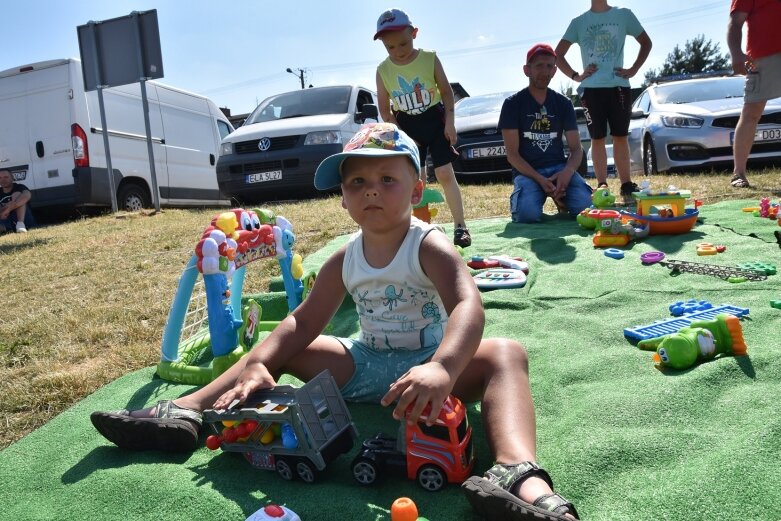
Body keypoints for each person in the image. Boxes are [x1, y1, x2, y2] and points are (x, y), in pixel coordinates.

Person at [91, 123, 580, 521]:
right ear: (343, 199)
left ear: (416, 190)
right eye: (357, 183)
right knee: (283, 350)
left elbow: (468, 306)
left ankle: (518, 474)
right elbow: (301, 323)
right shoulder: (345, 258)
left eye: (387, 180)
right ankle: (190, 411)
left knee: (506, 353)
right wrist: (261, 362)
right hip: (368, 367)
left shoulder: (427, 244)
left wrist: (445, 368)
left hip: (433, 373)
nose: (372, 192)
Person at [373, 8, 472, 248]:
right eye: (390, 48)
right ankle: (417, 229)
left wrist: (450, 122)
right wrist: (401, 134)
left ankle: (460, 226)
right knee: (416, 179)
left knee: (445, 173)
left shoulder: (429, 58)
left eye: (403, 44)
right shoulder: (382, 70)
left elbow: (447, 93)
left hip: (435, 120)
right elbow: (385, 110)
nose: (398, 52)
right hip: (406, 125)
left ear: (414, 33)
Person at [554, 0, 652, 203]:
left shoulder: (624, 14)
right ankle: (602, 184)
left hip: (619, 87)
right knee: (597, 138)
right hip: (591, 90)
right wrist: (576, 76)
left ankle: (626, 183)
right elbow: (558, 54)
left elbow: (646, 42)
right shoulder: (579, 22)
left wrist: (633, 69)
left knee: (620, 136)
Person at [499, 44, 593, 224]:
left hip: (558, 169)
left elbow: (576, 149)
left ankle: (563, 198)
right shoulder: (512, 104)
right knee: (527, 215)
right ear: (527, 70)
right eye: (539, 66)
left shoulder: (564, 103)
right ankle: (531, 198)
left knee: (587, 208)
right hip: (527, 173)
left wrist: (567, 173)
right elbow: (512, 155)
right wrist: (540, 180)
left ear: (555, 71)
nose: (545, 71)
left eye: (549, 66)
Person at [726, 0, 781, 189]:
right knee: (751, 113)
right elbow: (735, 23)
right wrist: (736, 54)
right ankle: (738, 173)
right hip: (762, 56)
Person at [0, 169, 34, 233]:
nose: (3, 180)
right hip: (5, 220)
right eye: (0, 178)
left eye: (6, 177)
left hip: (23, 219)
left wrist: (8, 209)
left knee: (17, 195)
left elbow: (27, 196)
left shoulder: (19, 187)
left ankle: (20, 224)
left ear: (12, 178)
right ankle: (8, 228)